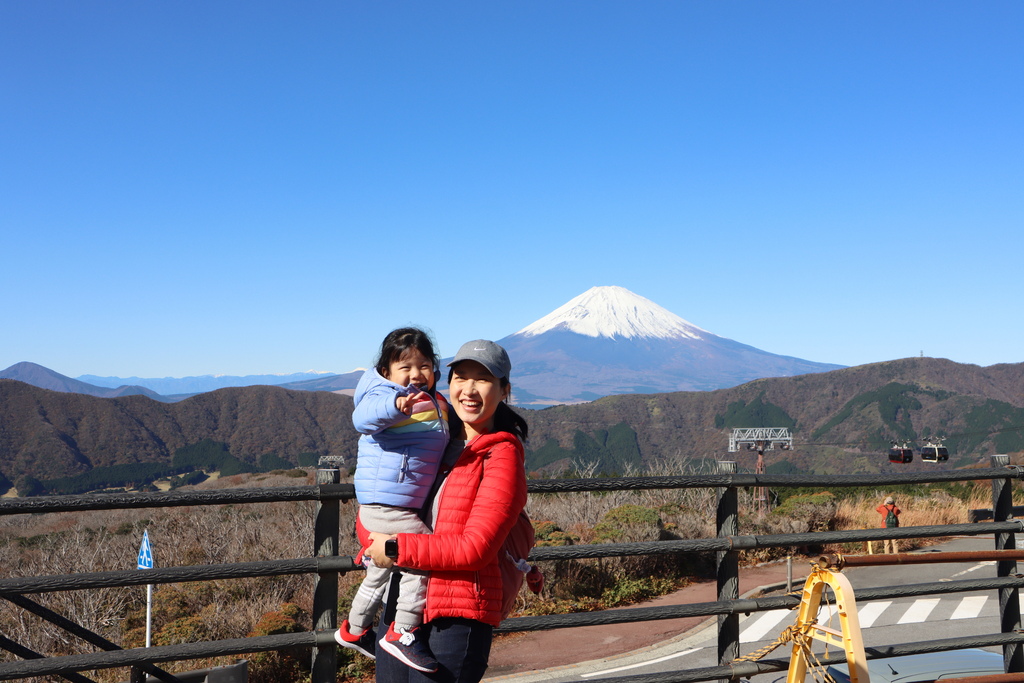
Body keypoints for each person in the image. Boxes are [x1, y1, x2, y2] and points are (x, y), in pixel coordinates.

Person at [364, 339, 529, 683]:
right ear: (447, 383)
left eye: (482, 380)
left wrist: (393, 548)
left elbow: (475, 549)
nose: (469, 389)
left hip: (456, 612)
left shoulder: (501, 456)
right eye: (461, 377)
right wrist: (371, 537)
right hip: (401, 603)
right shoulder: (433, 438)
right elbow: (385, 502)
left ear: (504, 391)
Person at [335, 328, 450, 673]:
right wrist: (394, 404)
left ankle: (354, 631)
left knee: (381, 571)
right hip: (387, 502)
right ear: (386, 371)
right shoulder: (383, 393)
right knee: (423, 550)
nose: (416, 374)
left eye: (425, 365)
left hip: (396, 501)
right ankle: (403, 631)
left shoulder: (431, 399)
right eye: (406, 367)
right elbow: (362, 417)